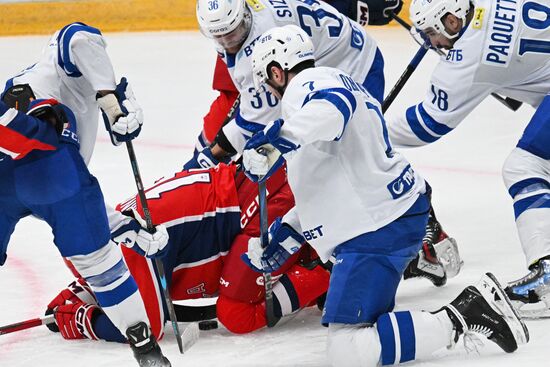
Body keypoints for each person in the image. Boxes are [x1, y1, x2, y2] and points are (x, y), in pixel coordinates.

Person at [241, 24, 528, 366]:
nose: (271, 95)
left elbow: (335, 108)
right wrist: (285, 236)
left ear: (277, 71)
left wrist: (277, 138)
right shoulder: (324, 89)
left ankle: (467, 312)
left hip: (376, 227)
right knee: (354, 337)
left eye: (268, 84)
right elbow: (329, 179)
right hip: (385, 216)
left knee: (347, 350)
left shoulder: (307, 88)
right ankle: (455, 312)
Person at [386, 0, 550, 316]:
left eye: (432, 32)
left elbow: (429, 124)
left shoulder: (468, 57)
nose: (431, 42)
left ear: (451, 20)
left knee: (524, 166)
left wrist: (372, 131)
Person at [45, 163, 330, 340]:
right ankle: (321, 267)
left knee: (237, 314)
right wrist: (87, 290)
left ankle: (334, 269)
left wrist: (86, 321)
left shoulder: (129, 248)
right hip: (253, 191)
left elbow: (145, 329)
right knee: (239, 307)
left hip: (255, 209)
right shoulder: (114, 230)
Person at [0, 98, 171, 366]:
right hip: (55, 162)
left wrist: (127, 227)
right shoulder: (61, 125)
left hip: (13, 167)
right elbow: (83, 200)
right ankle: (144, 346)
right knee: (100, 265)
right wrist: (129, 228)